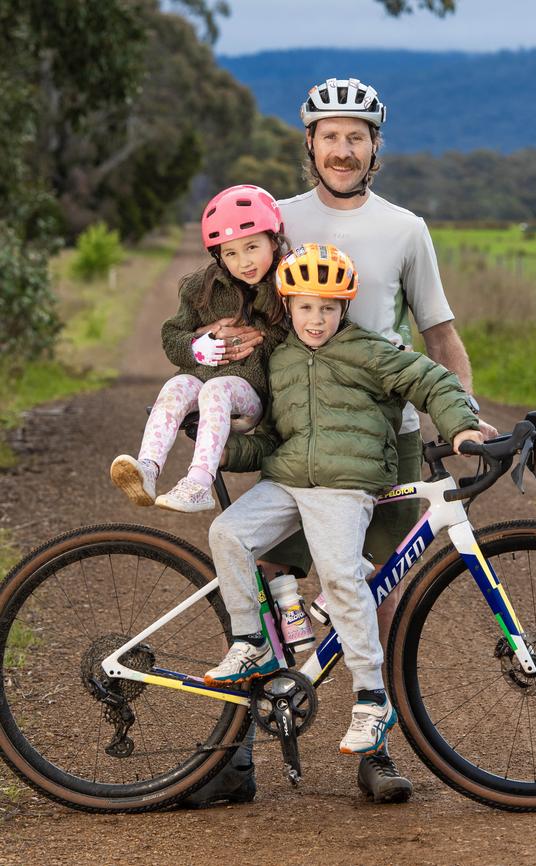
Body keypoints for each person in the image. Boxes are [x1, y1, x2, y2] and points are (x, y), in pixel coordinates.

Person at [196, 77, 497, 806]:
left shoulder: (405, 228)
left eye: (355, 136)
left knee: (372, 586)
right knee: (264, 572)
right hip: (288, 426)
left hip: (380, 437)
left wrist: (461, 421)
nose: (341, 149)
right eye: (329, 135)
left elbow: (438, 336)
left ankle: (377, 748)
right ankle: (233, 756)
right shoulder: (279, 217)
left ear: (374, 148)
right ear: (309, 143)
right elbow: (228, 294)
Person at [203, 243, 481, 773]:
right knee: (227, 534)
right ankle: (249, 642)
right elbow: (265, 437)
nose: (316, 318)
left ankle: (372, 701)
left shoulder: (370, 351)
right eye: (306, 306)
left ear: (344, 308)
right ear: (288, 305)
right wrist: (218, 446)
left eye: (328, 308)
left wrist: (461, 424)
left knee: (342, 577)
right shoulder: (281, 359)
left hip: (344, 487)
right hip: (287, 482)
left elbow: (431, 379)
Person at [110, 185, 288, 513]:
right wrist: (198, 347)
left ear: (273, 241)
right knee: (177, 385)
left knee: (216, 389)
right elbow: (171, 336)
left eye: (252, 247)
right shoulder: (201, 288)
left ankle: (198, 484)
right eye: (230, 253)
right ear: (218, 256)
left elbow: (289, 338)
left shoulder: (286, 285)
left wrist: (264, 294)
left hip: (250, 399)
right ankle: (148, 468)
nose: (243, 261)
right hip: (204, 385)